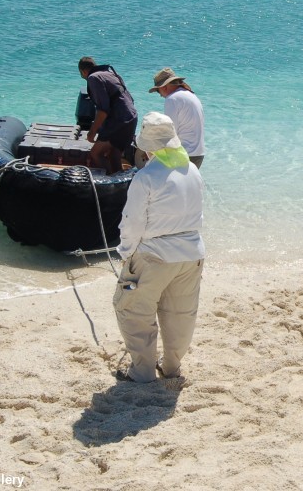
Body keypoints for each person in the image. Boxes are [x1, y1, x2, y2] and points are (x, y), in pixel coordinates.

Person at [113, 112, 205, 383]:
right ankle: (172, 367)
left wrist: (125, 253)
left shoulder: (146, 177)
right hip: (192, 253)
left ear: (147, 146)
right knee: (180, 313)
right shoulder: (193, 170)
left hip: (154, 255)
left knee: (132, 310)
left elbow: (132, 222)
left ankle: (142, 372)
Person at [78, 57, 138, 174]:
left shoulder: (93, 78)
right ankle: (120, 183)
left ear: (83, 71)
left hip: (119, 121)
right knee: (113, 155)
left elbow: (103, 111)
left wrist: (92, 132)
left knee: (96, 153)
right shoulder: (110, 73)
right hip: (132, 118)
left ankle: (111, 183)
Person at [148, 67, 205, 168]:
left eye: (158, 91)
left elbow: (169, 132)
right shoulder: (190, 95)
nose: (160, 95)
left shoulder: (172, 99)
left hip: (184, 155)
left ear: (164, 87)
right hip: (199, 154)